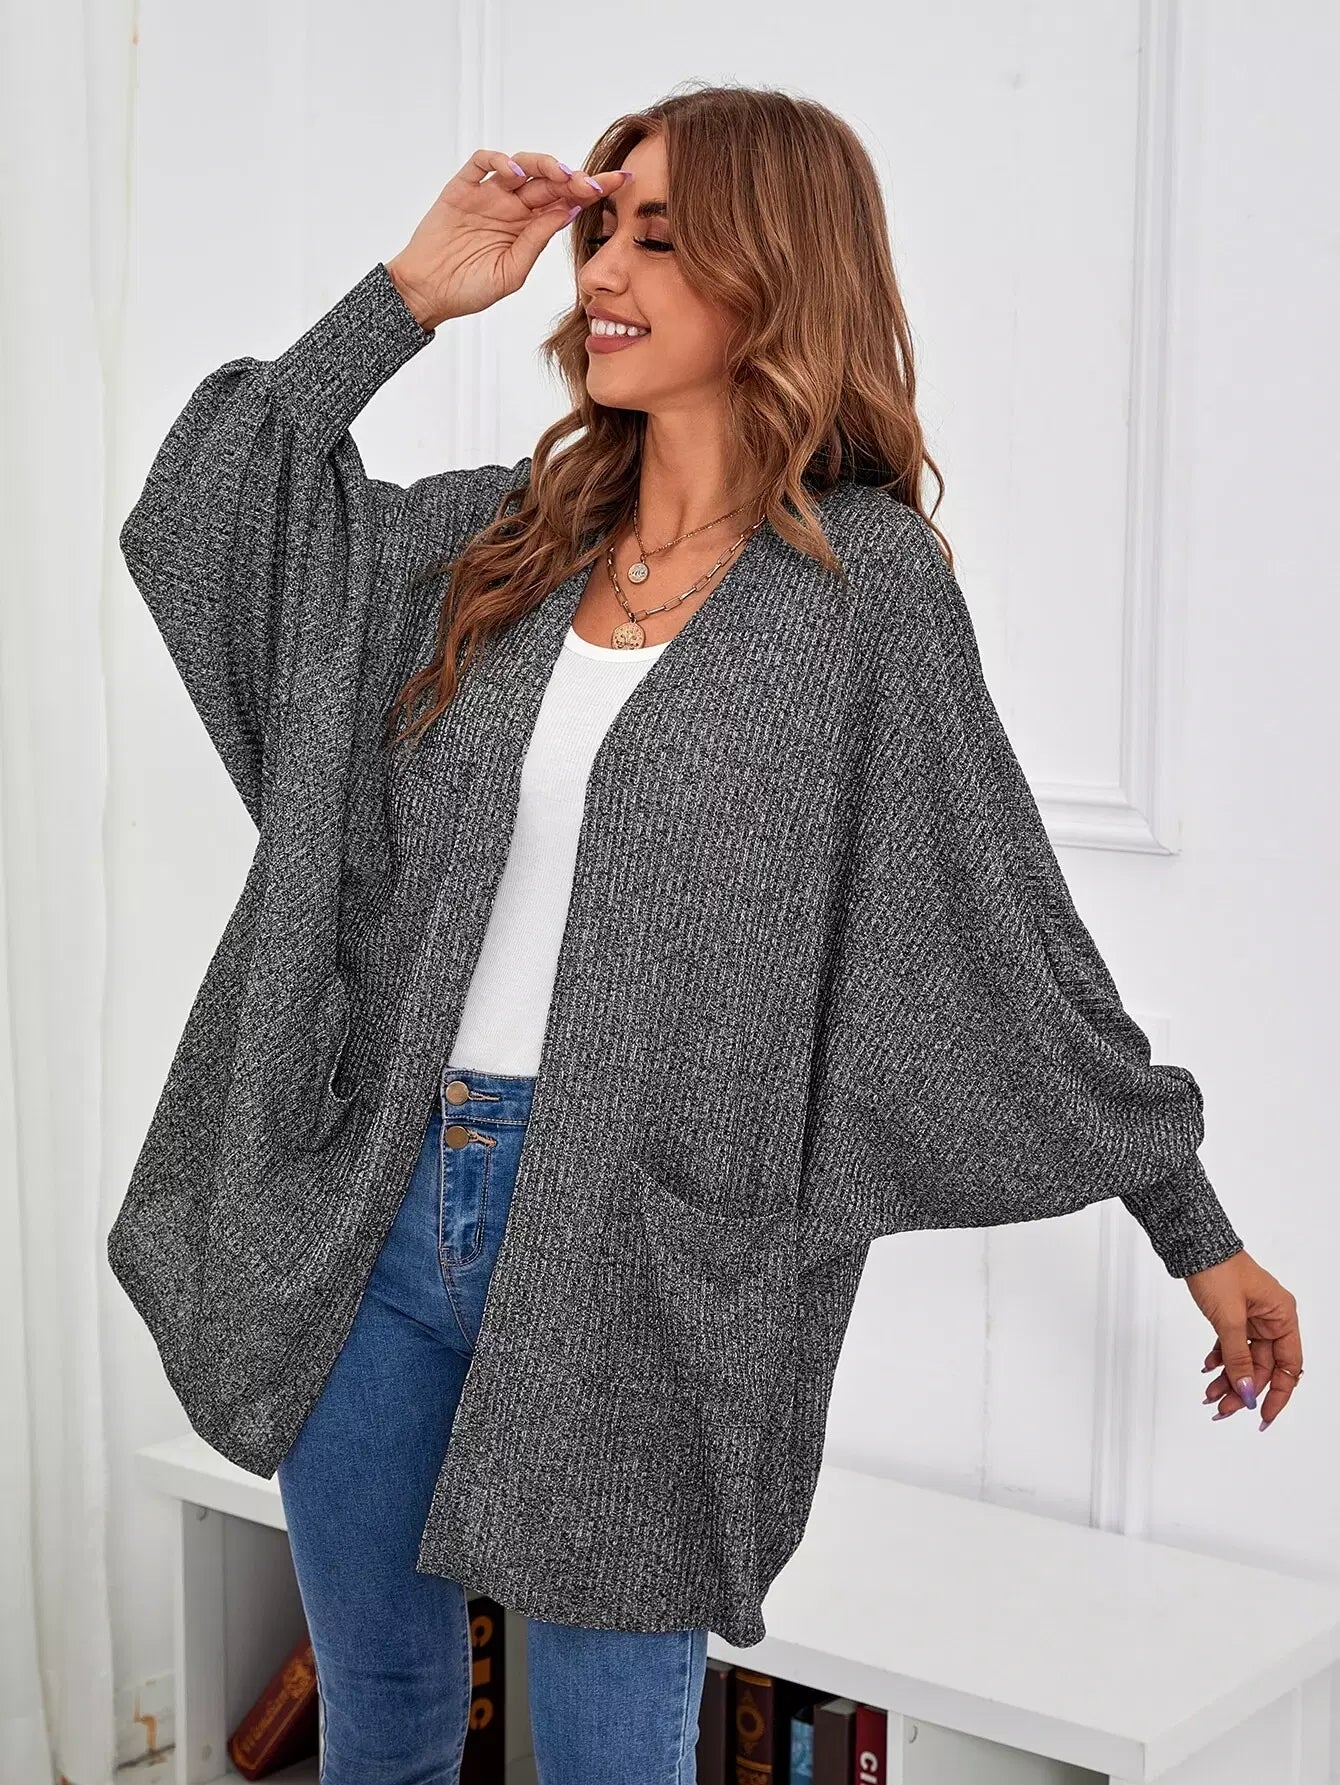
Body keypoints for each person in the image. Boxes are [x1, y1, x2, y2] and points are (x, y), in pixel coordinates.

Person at [110, 87, 1303, 1785]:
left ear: (780, 273)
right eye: (605, 226)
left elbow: (1004, 921)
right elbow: (205, 519)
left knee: (615, 1755)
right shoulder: (496, 544)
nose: (605, 267)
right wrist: (408, 296)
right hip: (371, 1199)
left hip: (643, 1244)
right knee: (381, 1720)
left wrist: (1195, 1227)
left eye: (663, 237)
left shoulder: (864, 592)